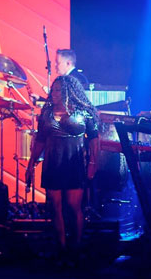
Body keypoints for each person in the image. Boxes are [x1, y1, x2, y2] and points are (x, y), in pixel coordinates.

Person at [26, 75, 99, 263]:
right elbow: (40, 140)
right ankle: (62, 248)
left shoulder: (84, 112)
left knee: (74, 207)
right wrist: (31, 163)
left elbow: (94, 140)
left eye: (58, 90)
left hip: (74, 164)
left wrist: (93, 163)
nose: (54, 93)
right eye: (53, 90)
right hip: (53, 163)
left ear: (69, 91)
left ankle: (76, 247)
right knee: (55, 207)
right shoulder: (47, 112)